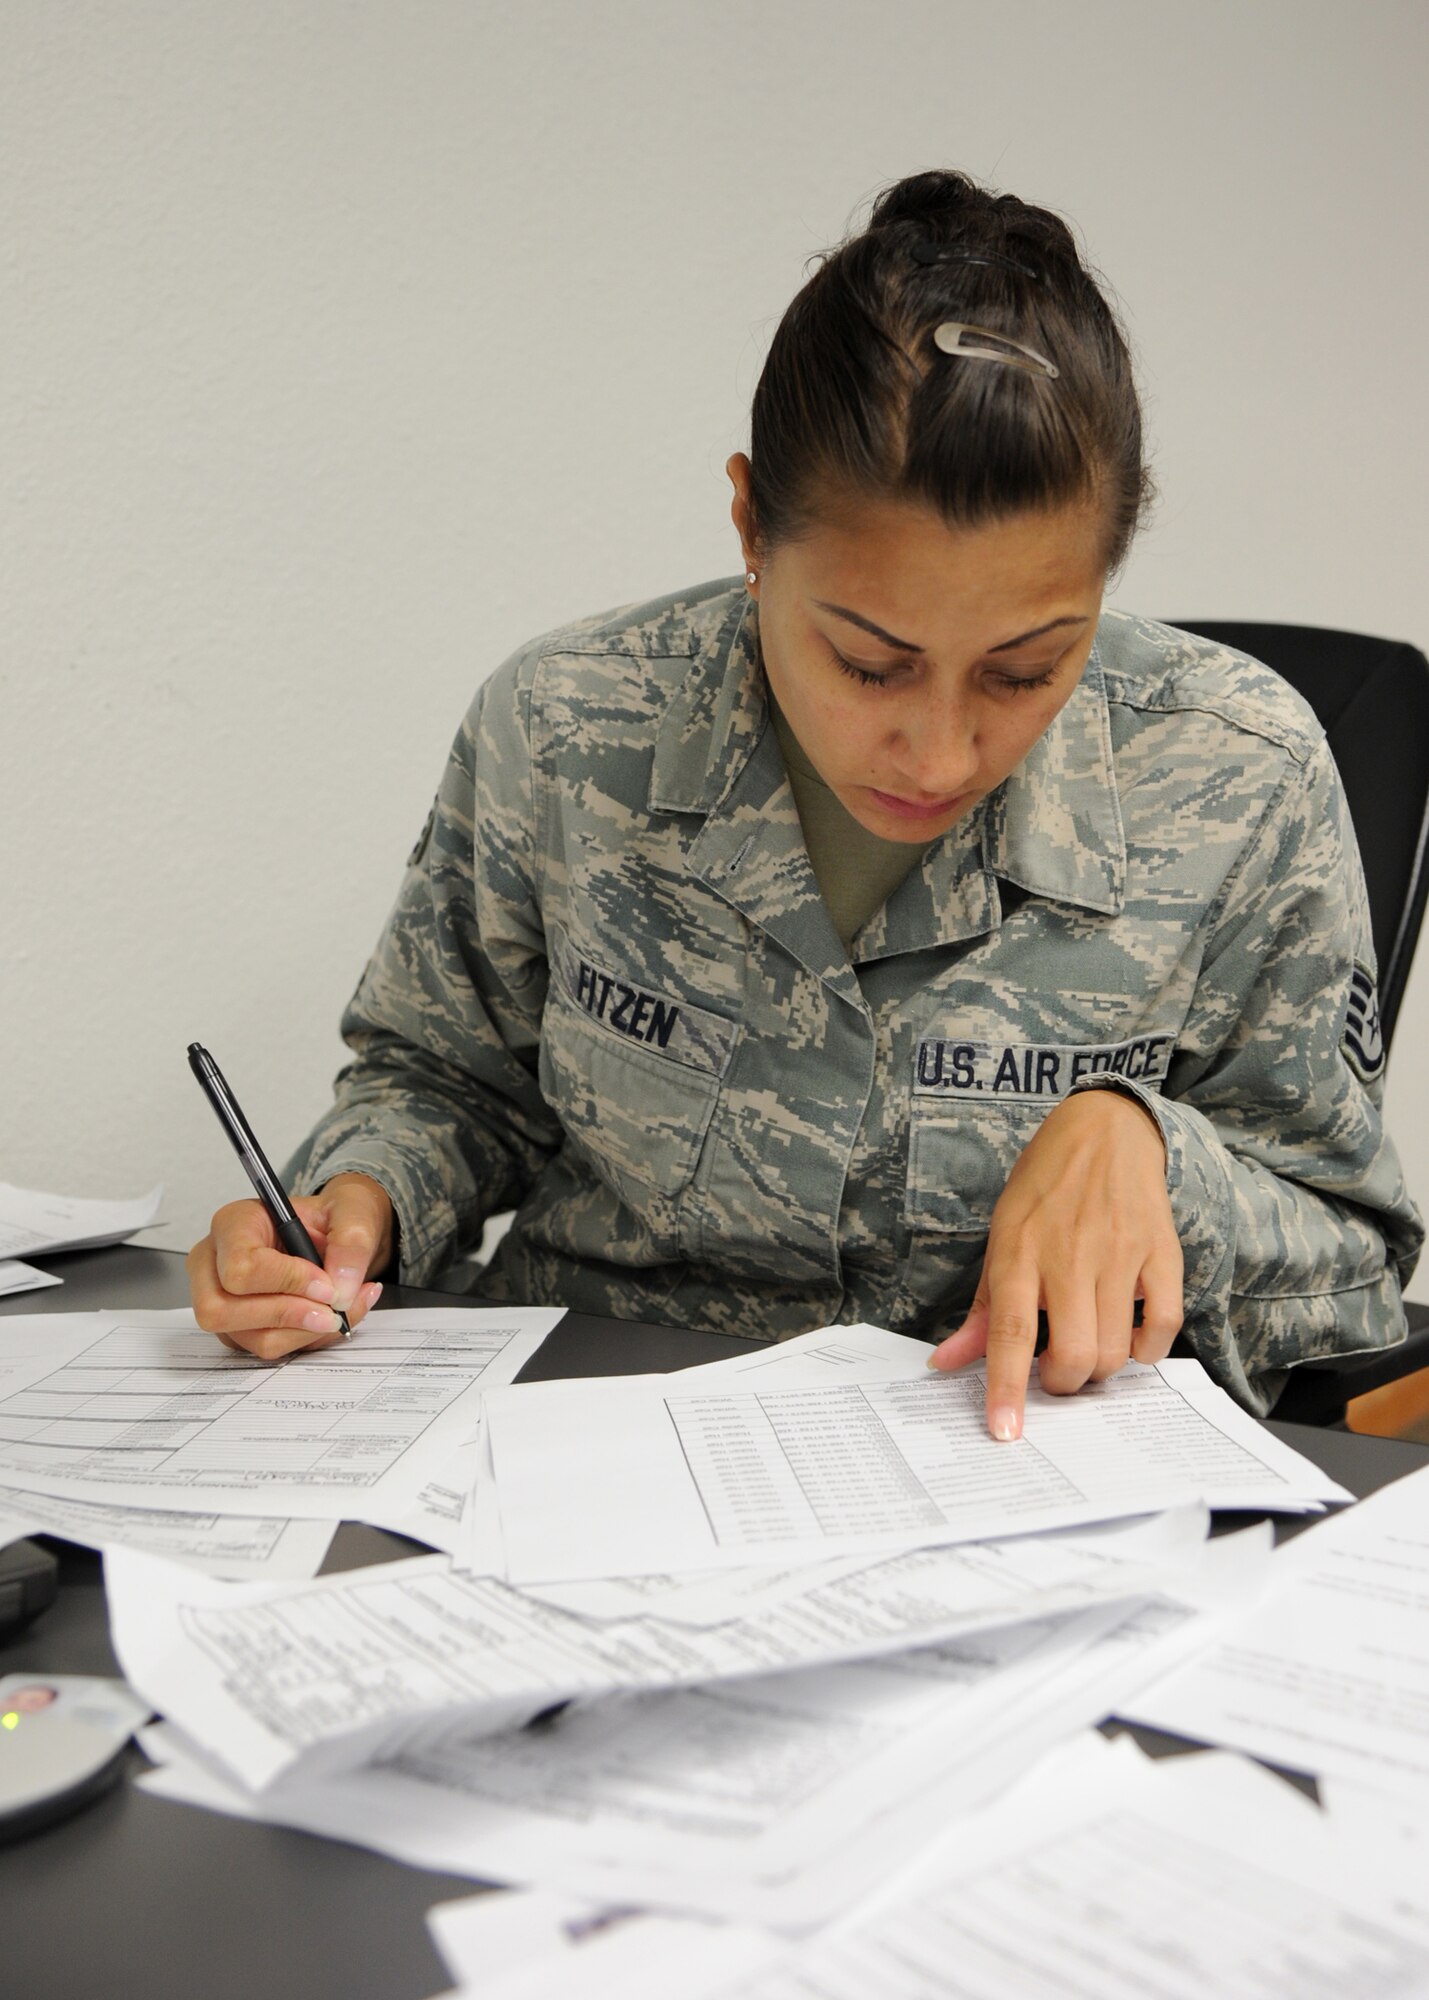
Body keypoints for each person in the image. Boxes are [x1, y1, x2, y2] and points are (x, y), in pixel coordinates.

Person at [188, 169, 1423, 1437]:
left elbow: (1355, 1265)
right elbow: (441, 1080)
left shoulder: (1240, 774)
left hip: (1000, 1481)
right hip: (570, 1444)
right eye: (868, 661)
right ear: (749, 527)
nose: (939, 752)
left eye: (1025, 668)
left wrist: (1157, 1159)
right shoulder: (567, 728)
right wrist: (357, 1201)